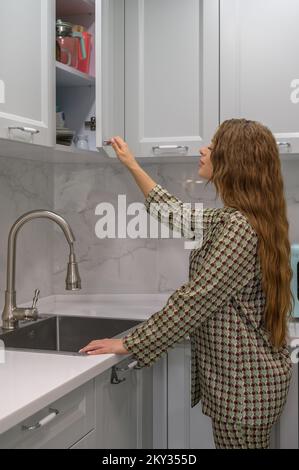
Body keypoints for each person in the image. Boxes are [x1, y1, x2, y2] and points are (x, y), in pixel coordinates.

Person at [79, 119, 293, 449]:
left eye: (213, 145)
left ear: (233, 160)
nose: (203, 149)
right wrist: (132, 164)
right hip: (250, 383)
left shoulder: (239, 227)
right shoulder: (239, 218)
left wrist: (130, 343)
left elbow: (195, 301)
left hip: (244, 388)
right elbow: (177, 214)